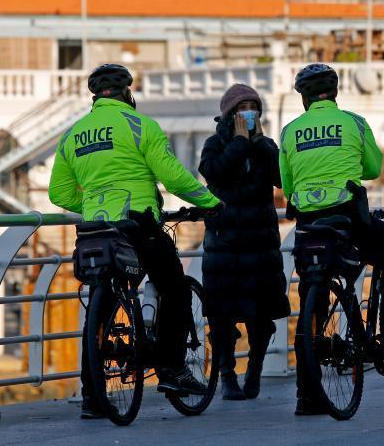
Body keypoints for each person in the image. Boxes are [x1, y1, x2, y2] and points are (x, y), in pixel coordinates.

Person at [49, 63, 222, 420]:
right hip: (138, 223)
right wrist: (210, 202)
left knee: (101, 311)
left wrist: (97, 206)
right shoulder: (139, 125)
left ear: (95, 97)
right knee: (175, 289)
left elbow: (59, 193)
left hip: (95, 228)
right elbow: (174, 178)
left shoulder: (73, 134)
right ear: (128, 92)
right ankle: (173, 369)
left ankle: (92, 399)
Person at [279, 63, 384, 416]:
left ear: (304, 97)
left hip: (309, 226)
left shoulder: (290, 131)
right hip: (348, 218)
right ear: (335, 93)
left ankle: (307, 397)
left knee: (313, 303)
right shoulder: (354, 123)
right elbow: (372, 169)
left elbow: (287, 184)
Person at [198, 84, 290, 401]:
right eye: (242, 108)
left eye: (253, 107)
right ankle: (226, 376)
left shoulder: (265, 146)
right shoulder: (215, 143)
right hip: (224, 248)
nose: (248, 113)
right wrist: (238, 143)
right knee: (221, 319)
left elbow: (283, 178)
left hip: (261, 247)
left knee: (260, 318)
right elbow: (213, 174)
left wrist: (262, 143)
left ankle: (254, 372)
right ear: (228, 115)